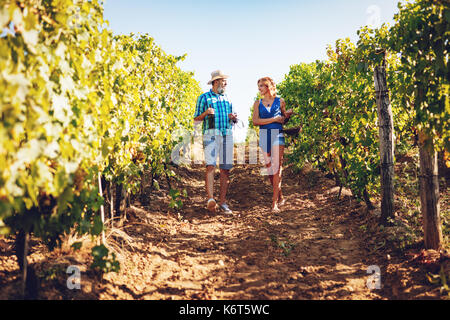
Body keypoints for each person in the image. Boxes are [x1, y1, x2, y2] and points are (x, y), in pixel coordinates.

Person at [194, 70, 238, 214]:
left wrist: (233, 118)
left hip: (226, 135)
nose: (225, 84)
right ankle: (210, 199)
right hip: (210, 135)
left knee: (225, 169)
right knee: (210, 166)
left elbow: (233, 121)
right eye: (223, 81)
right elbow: (196, 119)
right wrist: (206, 113)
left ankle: (223, 203)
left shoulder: (228, 99)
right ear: (215, 82)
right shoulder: (204, 97)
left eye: (225, 81)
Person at [252, 77, 293, 213]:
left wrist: (287, 116)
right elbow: (256, 121)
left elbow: (283, 120)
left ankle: (274, 203)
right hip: (264, 135)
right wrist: (273, 119)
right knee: (269, 168)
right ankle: (280, 195)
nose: (259, 89)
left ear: (268, 86)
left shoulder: (280, 101)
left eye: (261, 86)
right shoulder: (257, 103)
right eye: (258, 87)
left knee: (277, 167)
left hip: (277, 134)